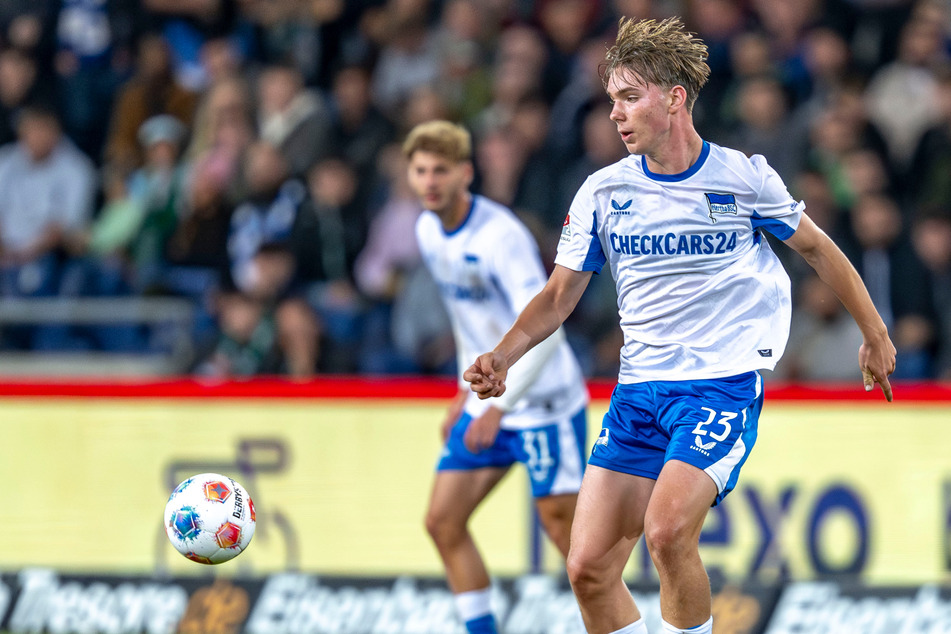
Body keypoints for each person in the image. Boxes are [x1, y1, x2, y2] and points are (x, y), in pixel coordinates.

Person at [463, 17, 896, 634]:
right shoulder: (601, 193)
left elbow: (819, 250)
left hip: (719, 386)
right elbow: (559, 295)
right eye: (611, 98)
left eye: (630, 96)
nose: (615, 112)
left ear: (675, 98)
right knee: (586, 568)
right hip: (639, 392)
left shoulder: (742, 176)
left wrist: (875, 334)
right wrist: (503, 355)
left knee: (667, 533)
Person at [405, 120, 590, 634]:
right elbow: (472, 326)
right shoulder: (426, 230)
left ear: (466, 173)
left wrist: (499, 408)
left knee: (575, 550)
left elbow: (547, 331)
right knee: (443, 522)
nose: (430, 181)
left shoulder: (500, 237)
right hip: (490, 400)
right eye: (420, 170)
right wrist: (465, 397)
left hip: (544, 402)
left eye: (441, 170)